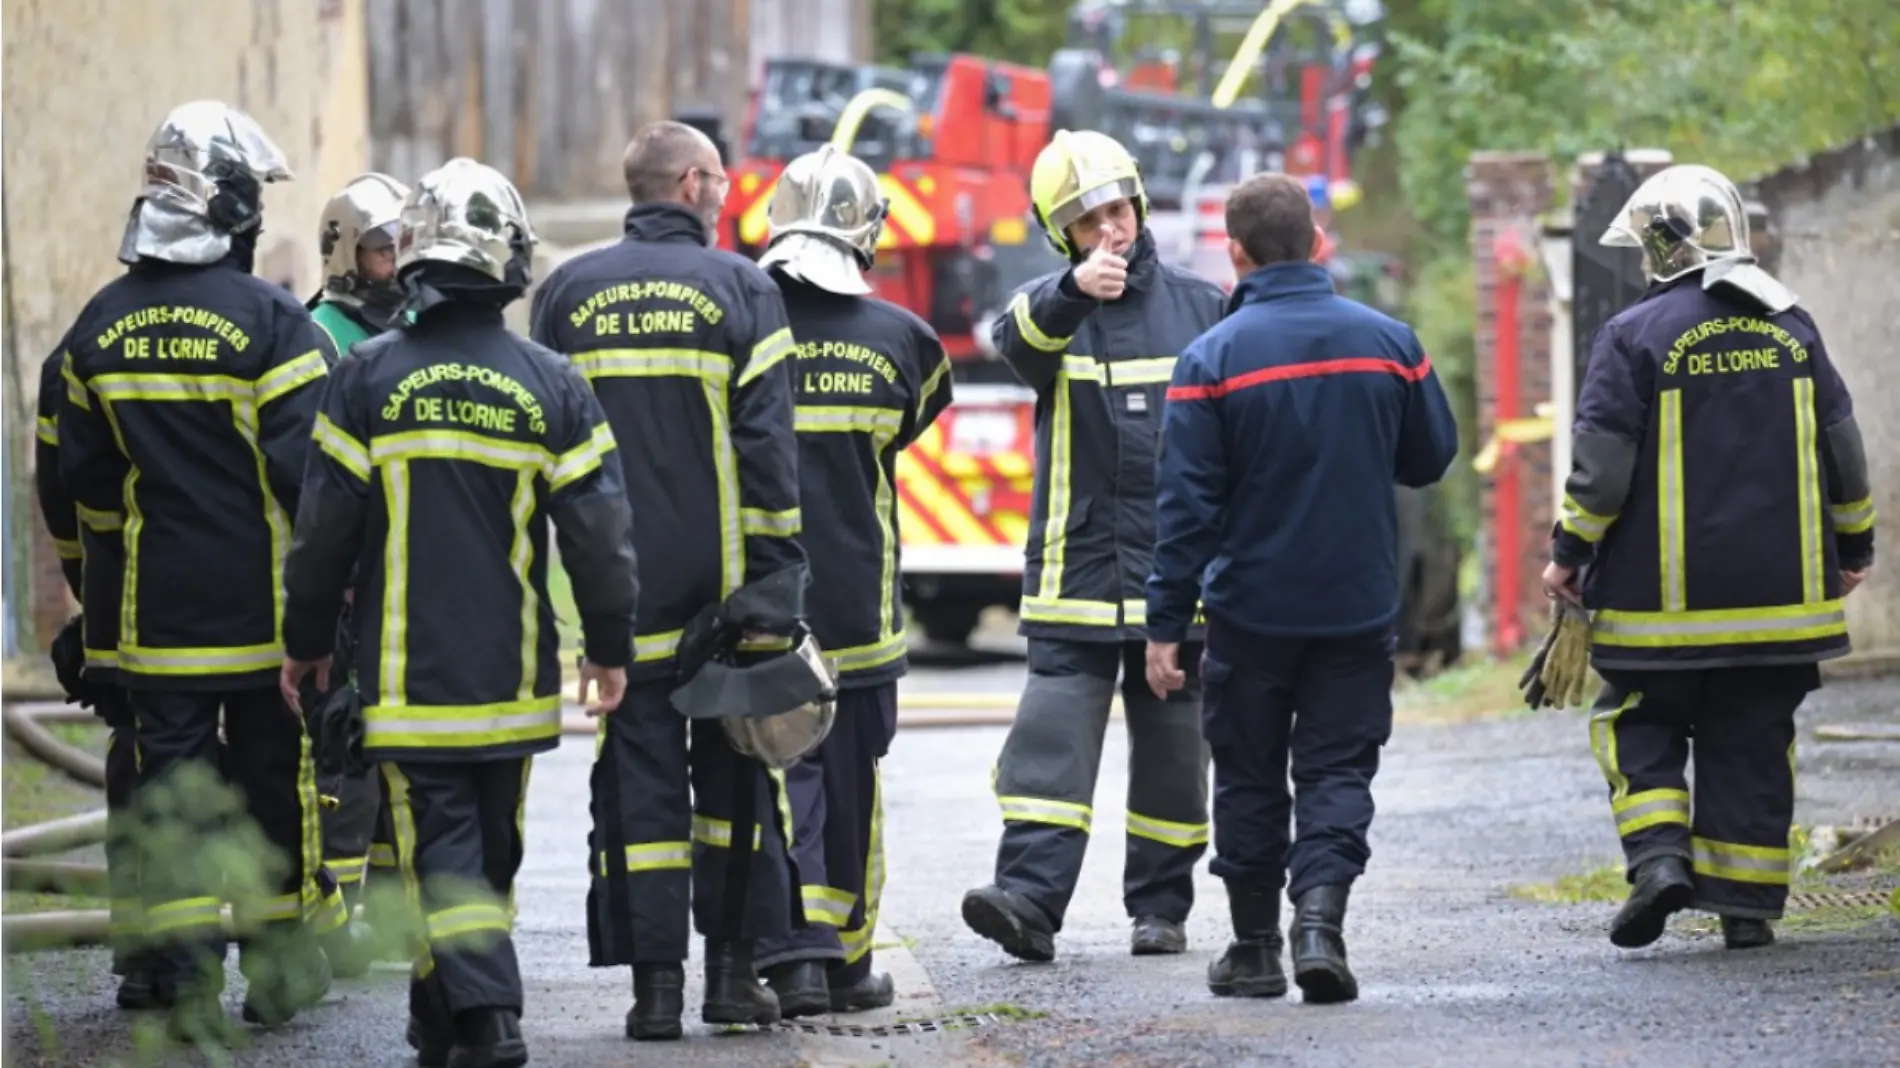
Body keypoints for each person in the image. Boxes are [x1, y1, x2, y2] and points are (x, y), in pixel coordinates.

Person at [281, 156, 638, 1068]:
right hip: (512, 681)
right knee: (484, 851)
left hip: (405, 684)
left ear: (412, 261)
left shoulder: (362, 380)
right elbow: (600, 536)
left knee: (448, 852)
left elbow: (322, 533)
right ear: (510, 262)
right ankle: (455, 1017)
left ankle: (479, 1016)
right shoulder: (553, 384)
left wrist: (305, 644)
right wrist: (609, 647)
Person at [57, 99, 340, 1039]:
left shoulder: (97, 328)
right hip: (264, 623)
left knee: (170, 792)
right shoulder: (271, 322)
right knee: (272, 785)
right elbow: (311, 487)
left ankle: (180, 984)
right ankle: (276, 973)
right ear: (226, 208)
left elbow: (85, 496)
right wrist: (333, 611)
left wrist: (100, 621)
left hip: (155, 624)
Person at [1543, 163, 1875, 952]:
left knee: (1636, 720)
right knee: (1755, 738)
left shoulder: (1633, 335)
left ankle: (1660, 859)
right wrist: (1853, 546)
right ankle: (1747, 908)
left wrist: (1568, 552)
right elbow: (1844, 453)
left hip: (1662, 612)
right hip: (1783, 605)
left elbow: (1602, 471)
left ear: (1660, 247)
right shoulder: (1793, 328)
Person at [1146, 173, 1457, 1004]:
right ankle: (1319, 924)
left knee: (1248, 773)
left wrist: (1164, 624)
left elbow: (1186, 511)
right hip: (1357, 605)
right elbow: (1430, 458)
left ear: (1235, 254)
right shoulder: (1391, 342)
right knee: (1337, 770)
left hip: (1250, 613)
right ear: (1319, 242)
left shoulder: (1209, 360)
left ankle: (1253, 951)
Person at [530, 119, 806, 1041]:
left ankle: (653, 996)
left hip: (617, 597)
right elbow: (766, 451)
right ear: (691, 183)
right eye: (722, 181)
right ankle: (730, 981)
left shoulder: (566, 292)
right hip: (721, 602)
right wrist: (775, 587)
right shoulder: (742, 288)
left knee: (639, 793)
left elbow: (550, 455)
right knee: (732, 787)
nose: (728, 196)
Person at [962, 128, 1225, 964]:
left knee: (1175, 756)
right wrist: (1073, 292)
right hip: (1075, 573)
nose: (1109, 229)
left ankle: (1161, 908)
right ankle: (1029, 902)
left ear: (1140, 204)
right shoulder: (1047, 307)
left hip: (1174, 577)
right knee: (1049, 747)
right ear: (1059, 235)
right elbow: (1016, 344)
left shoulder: (1200, 306)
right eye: (1086, 220)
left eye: (1117, 209)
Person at [745, 145, 952, 1015]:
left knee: (767, 782)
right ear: (869, 234)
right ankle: (847, 963)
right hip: (860, 613)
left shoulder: (743, 326)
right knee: (853, 785)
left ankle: (786, 954)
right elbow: (913, 423)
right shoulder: (905, 340)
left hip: (760, 609)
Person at [303, 170, 413, 977]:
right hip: (348, 579)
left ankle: (383, 909)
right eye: (382, 249)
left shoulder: (417, 327)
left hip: (406, 573)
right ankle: (333, 918)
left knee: (399, 749)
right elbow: (318, 477)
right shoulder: (321, 337)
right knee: (344, 747)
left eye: (406, 244)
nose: (398, 262)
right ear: (346, 252)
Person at [35, 335, 155, 1010]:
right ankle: (274, 944)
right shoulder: (267, 327)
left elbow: (61, 489)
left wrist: (91, 594)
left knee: (139, 754)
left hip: (122, 606)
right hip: (241, 610)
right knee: (259, 755)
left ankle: (145, 954)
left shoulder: (87, 341)